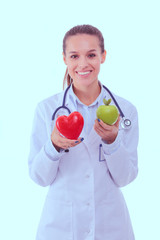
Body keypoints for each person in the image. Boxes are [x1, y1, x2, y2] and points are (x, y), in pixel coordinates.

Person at [28, 24, 139, 240]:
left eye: (91, 55)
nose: (83, 64)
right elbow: (39, 177)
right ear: (64, 59)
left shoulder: (126, 111)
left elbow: (125, 177)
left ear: (103, 56)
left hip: (110, 225)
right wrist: (54, 146)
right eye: (74, 56)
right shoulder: (47, 110)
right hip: (61, 226)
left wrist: (112, 142)